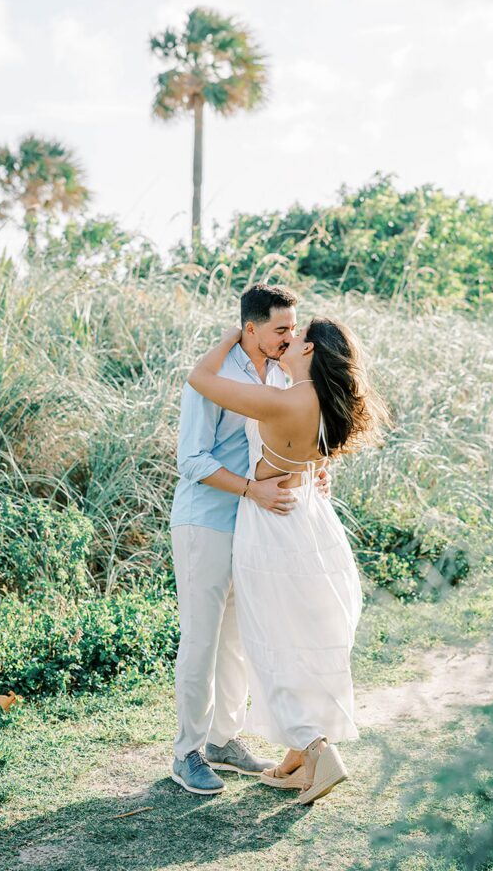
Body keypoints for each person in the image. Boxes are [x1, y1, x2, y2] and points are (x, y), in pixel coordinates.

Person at [188, 315, 387, 804]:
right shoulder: (329, 404)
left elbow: (200, 379)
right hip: (313, 522)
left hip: (272, 523)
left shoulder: (283, 400)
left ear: (311, 353)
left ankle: (318, 752)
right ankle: (298, 760)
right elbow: (312, 461)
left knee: (273, 639)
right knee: (302, 635)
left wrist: (235, 335)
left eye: (297, 338)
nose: (289, 342)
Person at [169, 284, 331, 795]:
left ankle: (223, 739)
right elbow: (190, 461)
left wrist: (315, 473)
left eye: (293, 328)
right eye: (281, 328)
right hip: (206, 520)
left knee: (236, 637)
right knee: (200, 639)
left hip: (252, 524)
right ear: (251, 328)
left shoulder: (283, 373)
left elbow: (287, 440)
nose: (290, 337)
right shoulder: (213, 377)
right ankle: (187, 752)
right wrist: (251, 489)